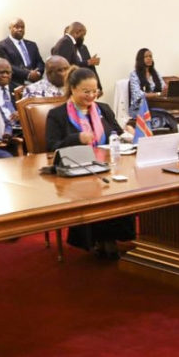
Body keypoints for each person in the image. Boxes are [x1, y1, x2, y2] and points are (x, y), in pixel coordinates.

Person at [46, 67, 134, 258]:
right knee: (93, 189)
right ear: (73, 89)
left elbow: (116, 134)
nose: (91, 96)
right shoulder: (58, 114)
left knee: (123, 185)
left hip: (108, 164)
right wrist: (77, 138)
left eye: (94, 91)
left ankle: (118, 236)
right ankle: (100, 240)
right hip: (78, 168)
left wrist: (127, 133)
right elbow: (52, 146)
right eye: (86, 92)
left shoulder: (104, 109)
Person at [51, 22, 101, 88]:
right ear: (77, 32)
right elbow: (65, 66)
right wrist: (87, 62)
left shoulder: (69, 43)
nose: (83, 38)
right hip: (68, 85)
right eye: (83, 35)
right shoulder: (66, 43)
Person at [0, 18, 44, 88]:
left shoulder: (32, 44)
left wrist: (38, 73)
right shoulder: (1, 45)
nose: (20, 29)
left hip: (36, 84)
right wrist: (28, 74)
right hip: (15, 84)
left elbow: (40, 62)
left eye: (22, 27)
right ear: (10, 28)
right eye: (17, 27)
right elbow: (8, 65)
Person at [128, 48, 164, 117]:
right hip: (139, 108)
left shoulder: (155, 73)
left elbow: (162, 86)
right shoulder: (134, 74)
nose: (149, 59)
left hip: (155, 105)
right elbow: (138, 94)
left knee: (167, 115)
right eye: (146, 57)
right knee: (160, 117)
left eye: (150, 56)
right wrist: (158, 94)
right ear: (140, 59)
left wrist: (166, 89)